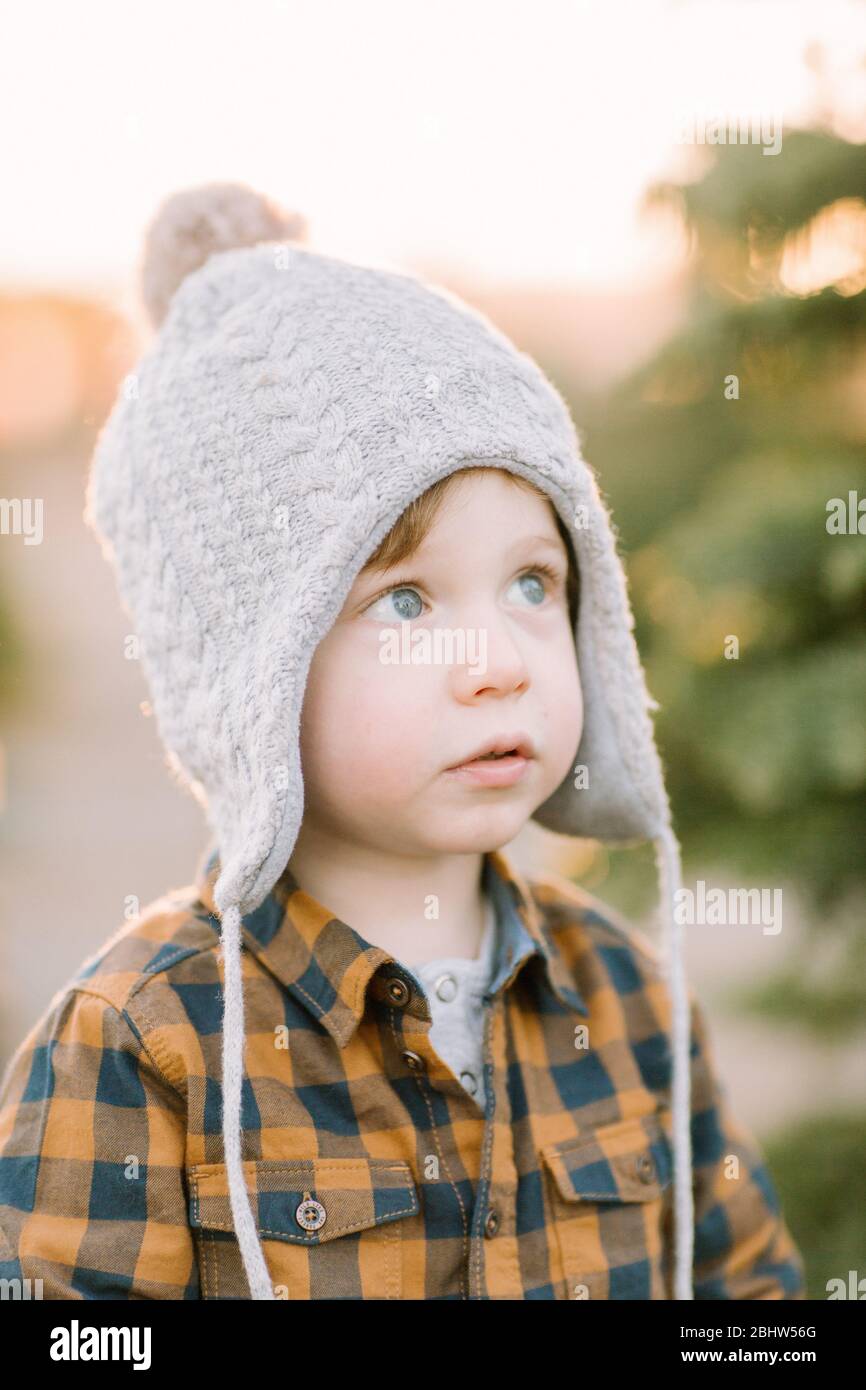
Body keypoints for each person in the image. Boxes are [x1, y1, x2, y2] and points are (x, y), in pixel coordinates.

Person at [0, 183, 806, 1300]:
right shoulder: (147, 1044)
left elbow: (745, 1298)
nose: (500, 659)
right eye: (407, 602)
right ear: (254, 672)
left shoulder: (627, 1000)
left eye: (532, 581)